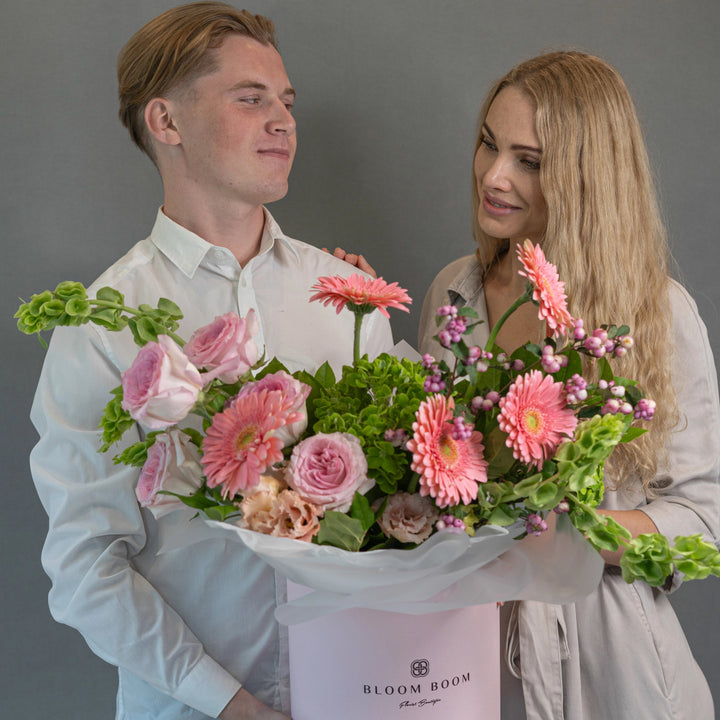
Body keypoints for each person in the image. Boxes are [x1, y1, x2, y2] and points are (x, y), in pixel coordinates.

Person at [29, 4, 393, 719]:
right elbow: (85, 565)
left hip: (357, 696)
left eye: (286, 102)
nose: (283, 121)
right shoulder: (107, 322)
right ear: (166, 123)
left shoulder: (349, 302)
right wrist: (229, 705)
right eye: (250, 99)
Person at [418, 51, 720, 719]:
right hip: (466, 654)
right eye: (489, 145)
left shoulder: (654, 312)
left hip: (615, 669)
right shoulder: (454, 293)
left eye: (530, 160)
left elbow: (704, 518)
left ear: (588, 176)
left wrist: (561, 531)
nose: (493, 177)